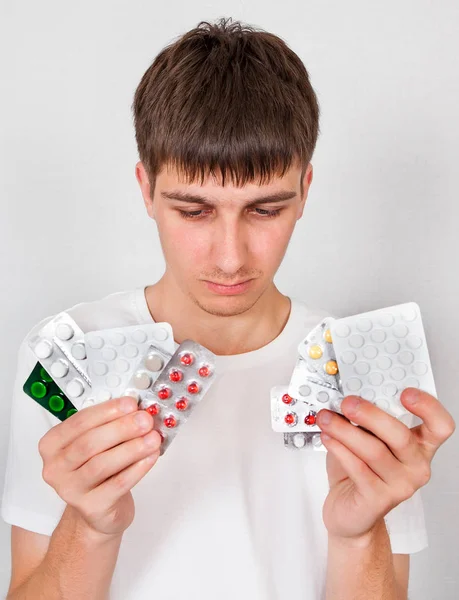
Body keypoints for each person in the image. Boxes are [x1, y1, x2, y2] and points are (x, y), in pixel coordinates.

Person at [2, 17, 455, 600]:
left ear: (305, 191)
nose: (230, 256)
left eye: (265, 210)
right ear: (146, 189)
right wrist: (89, 527)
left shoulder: (360, 371)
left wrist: (358, 536)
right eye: (194, 211)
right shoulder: (65, 357)